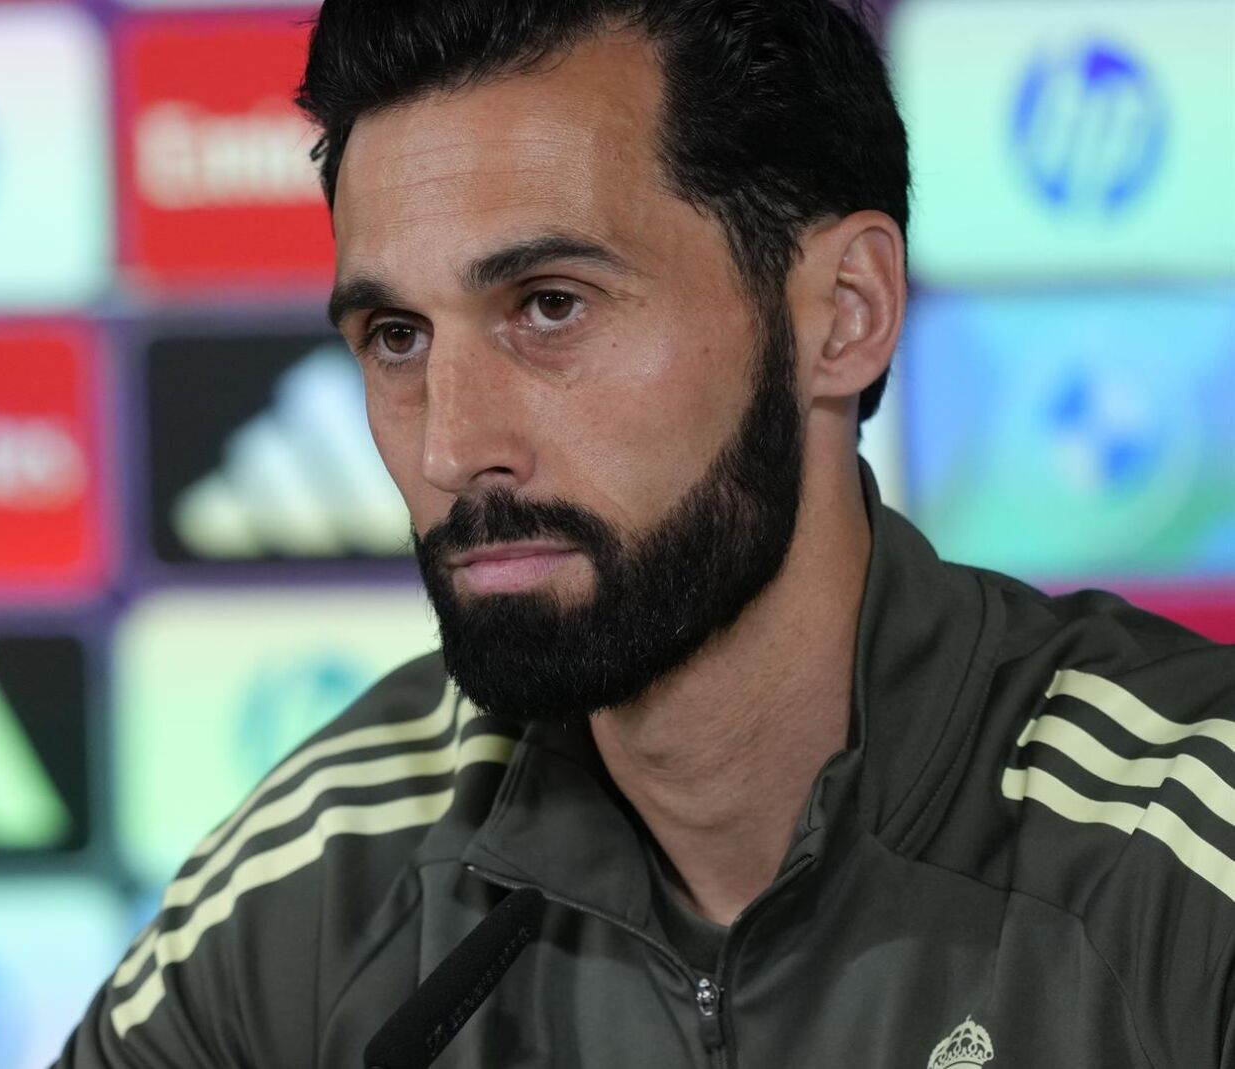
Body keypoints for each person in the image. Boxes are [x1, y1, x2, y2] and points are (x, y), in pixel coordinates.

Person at [60, 0, 1235, 1064]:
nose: (451, 448)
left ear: (843, 314)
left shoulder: (1185, 851)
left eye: (549, 306)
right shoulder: (322, 880)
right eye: (397, 337)